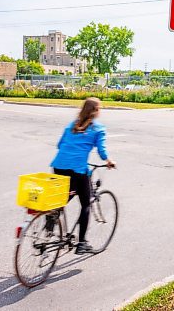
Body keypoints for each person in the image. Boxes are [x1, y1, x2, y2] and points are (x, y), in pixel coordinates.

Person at [50, 97, 115, 254]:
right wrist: (109, 161)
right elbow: (101, 151)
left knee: (63, 197)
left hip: (58, 166)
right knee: (86, 204)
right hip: (77, 170)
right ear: (96, 111)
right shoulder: (98, 129)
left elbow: (59, 145)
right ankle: (81, 244)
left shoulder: (72, 125)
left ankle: (50, 220)